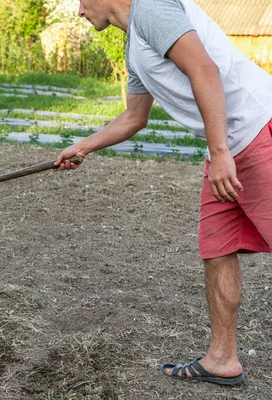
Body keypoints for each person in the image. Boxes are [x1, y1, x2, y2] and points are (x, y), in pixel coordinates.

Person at [54, 0, 272, 385]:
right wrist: (84, 146)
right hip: (226, 145)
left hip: (254, 132)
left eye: (81, 0)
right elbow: (135, 117)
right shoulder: (134, 47)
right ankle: (221, 358)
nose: (80, 11)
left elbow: (203, 68)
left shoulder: (152, 9)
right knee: (217, 247)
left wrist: (221, 152)